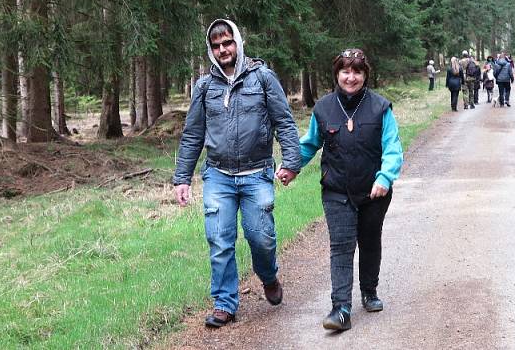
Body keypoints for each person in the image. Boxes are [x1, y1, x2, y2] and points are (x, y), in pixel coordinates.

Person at [173, 19, 301, 328]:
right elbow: (192, 135)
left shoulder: (263, 78)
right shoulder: (204, 87)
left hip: (257, 173)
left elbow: (284, 121)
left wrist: (291, 162)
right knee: (219, 239)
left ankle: (268, 277)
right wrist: (182, 178)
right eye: (216, 45)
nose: (222, 50)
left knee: (262, 238)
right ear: (210, 49)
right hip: (218, 175)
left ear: (238, 42)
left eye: (227, 42)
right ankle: (225, 303)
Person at [280, 48, 403, 331]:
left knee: (370, 241)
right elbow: (309, 144)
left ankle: (369, 291)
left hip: (374, 192)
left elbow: (393, 148)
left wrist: (384, 178)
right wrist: (290, 166)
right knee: (341, 245)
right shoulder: (323, 108)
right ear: (337, 74)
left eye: (357, 71)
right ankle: (341, 308)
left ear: (364, 75)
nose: (351, 77)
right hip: (336, 190)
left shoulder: (380, 107)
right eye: (345, 71)